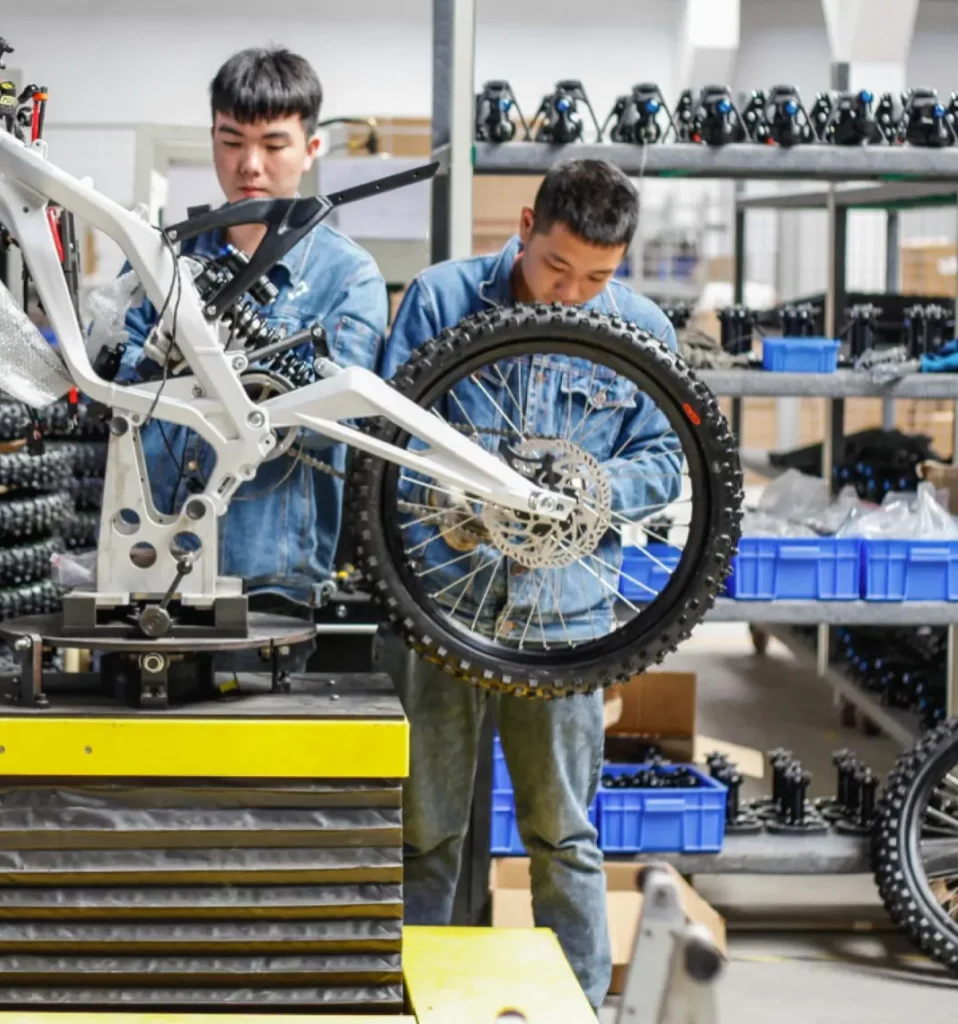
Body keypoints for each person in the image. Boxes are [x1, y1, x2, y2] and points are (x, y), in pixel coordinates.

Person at [379, 158, 680, 1010]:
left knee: (563, 833)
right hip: (439, 603)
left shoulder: (640, 328)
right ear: (524, 226)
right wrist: (456, 501)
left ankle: (578, 1006)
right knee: (424, 832)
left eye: (597, 277)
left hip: (566, 618)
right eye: (556, 266)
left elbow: (671, 455)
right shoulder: (442, 300)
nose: (570, 294)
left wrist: (593, 492)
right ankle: (410, 1002)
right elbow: (388, 437)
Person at [116, 47, 386, 627]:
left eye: (274, 144)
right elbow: (118, 396)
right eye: (232, 141)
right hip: (148, 563)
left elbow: (339, 426)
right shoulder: (159, 258)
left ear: (311, 149)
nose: (250, 166)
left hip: (271, 580)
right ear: (212, 138)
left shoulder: (348, 277)